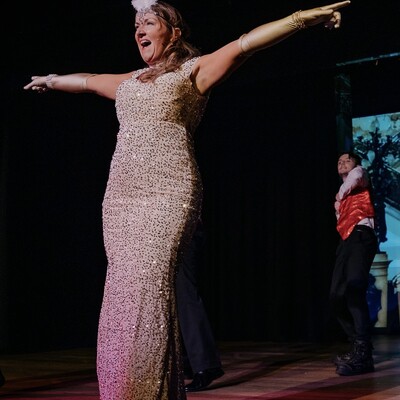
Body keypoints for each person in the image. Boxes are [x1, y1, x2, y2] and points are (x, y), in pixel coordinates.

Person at [23, 0, 351, 398]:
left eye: (149, 22)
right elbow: (89, 81)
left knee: (149, 289)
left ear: (174, 33)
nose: (139, 30)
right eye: (136, 25)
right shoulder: (130, 81)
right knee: (123, 291)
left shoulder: (192, 71)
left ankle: (143, 391)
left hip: (168, 193)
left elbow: (246, 44)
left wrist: (301, 19)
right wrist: (51, 79)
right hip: (121, 197)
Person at [330, 151, 378, 376]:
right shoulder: (342, 196)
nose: (342, 163)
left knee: (354, 287)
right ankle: (357, 344)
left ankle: (363, 352)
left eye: (346, 160)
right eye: (339, 161)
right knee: (336, 295)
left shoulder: (360, 175)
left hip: (361, 234)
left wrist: (339, 197)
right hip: (346, 240)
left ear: (356, 164)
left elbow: (354, 178)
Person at [176, 220, 224, 392]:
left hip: (180, 232)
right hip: (162, 234)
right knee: (170, 299)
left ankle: (205, 366)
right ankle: (189, 362)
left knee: (185, 296)